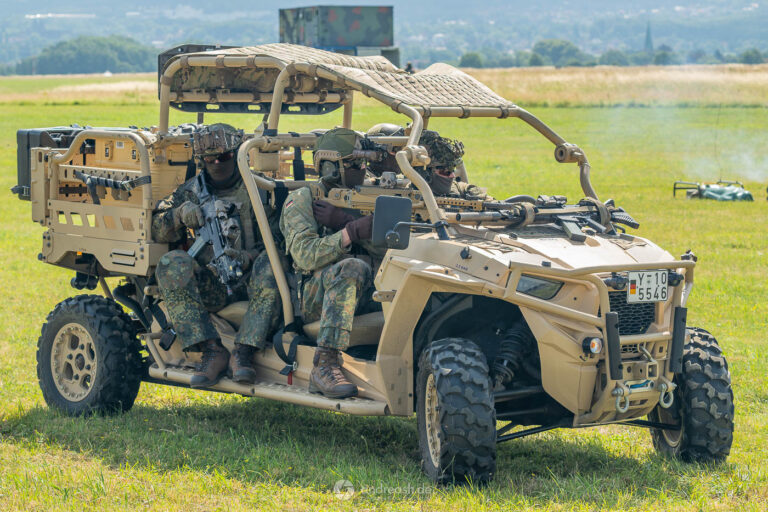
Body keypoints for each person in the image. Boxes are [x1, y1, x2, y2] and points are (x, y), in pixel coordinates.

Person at [151, 123, 281, 388]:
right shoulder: (190, 191)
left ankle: (243, 353)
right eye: (210, 160)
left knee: (271, 264)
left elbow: (282, 241)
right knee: (171, 264)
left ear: (238, 155)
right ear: (201, 160)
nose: (217, 164)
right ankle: (212, 350)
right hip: (212, 284)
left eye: (224, 157)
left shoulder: (261, 190)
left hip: (255, 282)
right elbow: (156, 229)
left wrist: (250, 257)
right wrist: (179, 215)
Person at [279, 128, 375, 399]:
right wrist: (348, 233)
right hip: (315, 295)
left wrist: (346, 221)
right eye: (353, 164)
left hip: (372, 289)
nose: (362, 169)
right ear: (331, 166)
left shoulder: (368, 194)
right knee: (352, 267)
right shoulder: (303, 199)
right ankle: (325, 364)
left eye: (363, 163)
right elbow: (305, 255)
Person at [365, 124, 491, 200]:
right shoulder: (365, 181)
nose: (405, 154)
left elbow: (472, 192)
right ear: (378, 154)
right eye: (397, 150)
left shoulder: (416, 178)